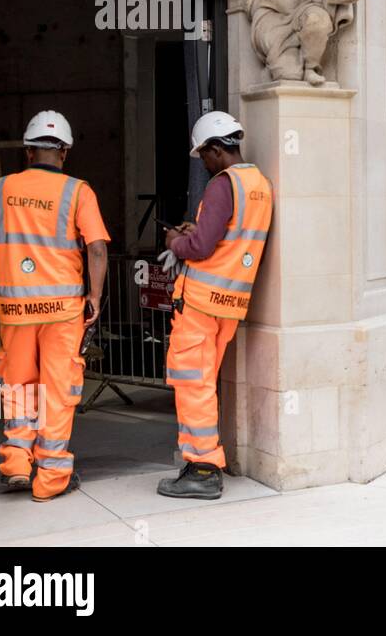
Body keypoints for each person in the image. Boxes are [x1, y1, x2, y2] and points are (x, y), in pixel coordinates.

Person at [0, 111, 109, 502]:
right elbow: (95, 247)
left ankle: (16, 463)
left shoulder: (1, 188)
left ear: (28, 151)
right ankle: (51, 478)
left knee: (18, 383)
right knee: (57, 391)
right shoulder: (79, 192)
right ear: (65, 152)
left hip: (15, 307)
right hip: (61, 309)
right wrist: (94, 296)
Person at [155, 111, 273, 499]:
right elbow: (227, 238)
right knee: (203, 383)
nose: (203, 165)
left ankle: (203, 469)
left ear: (216, 149)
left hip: (202, 303)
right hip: (230, 303)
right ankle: (200, 462)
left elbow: (202, 247)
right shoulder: (258, 185)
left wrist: (175, 241)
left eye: (203, 156)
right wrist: (197, 232)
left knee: (193, 384)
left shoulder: (224, 185)